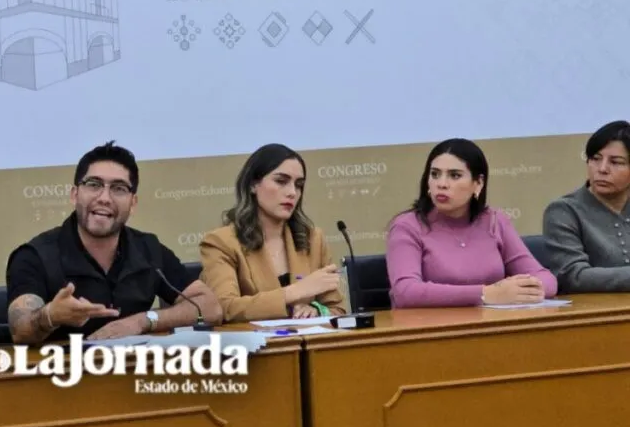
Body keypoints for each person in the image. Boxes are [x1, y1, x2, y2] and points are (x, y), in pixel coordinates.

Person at [5, 141, 223, 344]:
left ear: (133, 203)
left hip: (134, 368)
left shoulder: (148, 249)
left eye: (119, 188)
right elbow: (19, 329)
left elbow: (210, 307)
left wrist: (142, 321)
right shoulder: (34, 256)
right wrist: (50, 316)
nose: (104, 198)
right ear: (74, 195)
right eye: (94, 184)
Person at [386, 138, 558, 308]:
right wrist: (486, 294)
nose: (442, 184)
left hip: (491, 323)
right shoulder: (408, 226)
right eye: (435, 174)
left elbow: (547, 279)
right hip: (429, 324)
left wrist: (525, 289)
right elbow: (405, 292)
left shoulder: (494, 221)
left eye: (454, 175)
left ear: (478, 183)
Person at [199, 144, 346, 322]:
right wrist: (295, 292)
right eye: (281, 181)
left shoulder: (313, 239)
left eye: (299, 185)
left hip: (309, 338)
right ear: (253, 185)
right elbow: (225, 308)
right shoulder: (221, 242)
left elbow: (338, 310)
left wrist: (316, 310)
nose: (292, 192)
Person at [543, 121, 630, 292]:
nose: (602, 169)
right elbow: (572, 275)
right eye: (595, 159)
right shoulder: (563, 211)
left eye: (616, 162)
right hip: (596, 307)